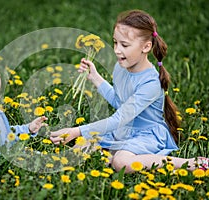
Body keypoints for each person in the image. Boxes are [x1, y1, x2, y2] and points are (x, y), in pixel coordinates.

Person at [50, 10, 208, 173]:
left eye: (124, 45)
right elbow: (120, 103)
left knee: (122, 163)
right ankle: (112, 154)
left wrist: (76, 130)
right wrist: (95, 78)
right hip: (124, 129)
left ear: (146, 47)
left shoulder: (150, 83)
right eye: (115, 43)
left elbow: (118, 118)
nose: (117, 50)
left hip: (146, 135)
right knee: (81, 145)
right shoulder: (121, 67)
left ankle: (191, 163)